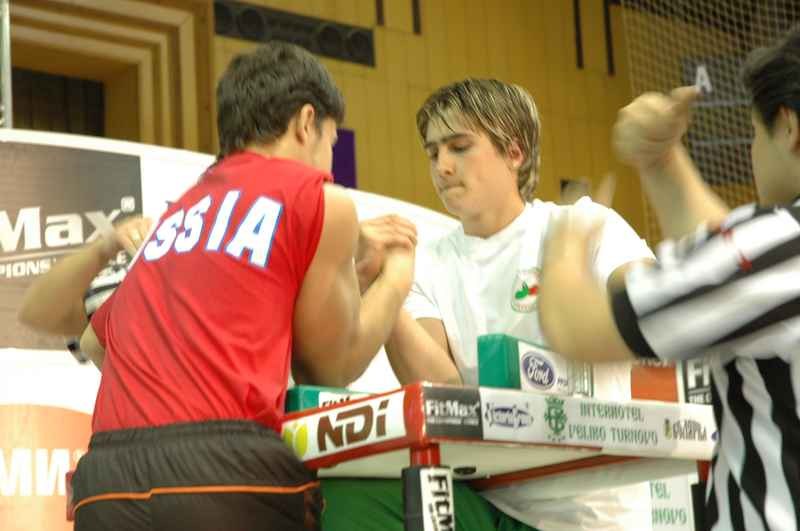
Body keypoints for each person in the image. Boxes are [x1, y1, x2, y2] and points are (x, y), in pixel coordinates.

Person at [66, 41, 415, 531]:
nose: (330, 166)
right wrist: (396, 279)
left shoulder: (179, 212)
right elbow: (330, 366)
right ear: (306, 122)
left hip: (105, 482)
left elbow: (93, 342)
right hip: (220, 475)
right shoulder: (322, 200)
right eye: (332, 143)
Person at [538, 27, 800, 531]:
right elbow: (730, 274)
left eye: (753, 134)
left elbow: (578, 330)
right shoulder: (767, 257)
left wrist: (564, 243)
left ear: (787, 126)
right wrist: (661, 160)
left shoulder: (779, 244)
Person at [372, 78, 656, 530]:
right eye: (432, 152)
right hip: (486, 499)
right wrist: (382, 287)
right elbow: (443, 394)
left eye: (459, 147)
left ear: (514, 152)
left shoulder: (585, 222)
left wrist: (576, 289)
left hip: (589, 509)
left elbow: (651, 310)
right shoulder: (425, 261)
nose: (442, 166)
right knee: (354, 495)